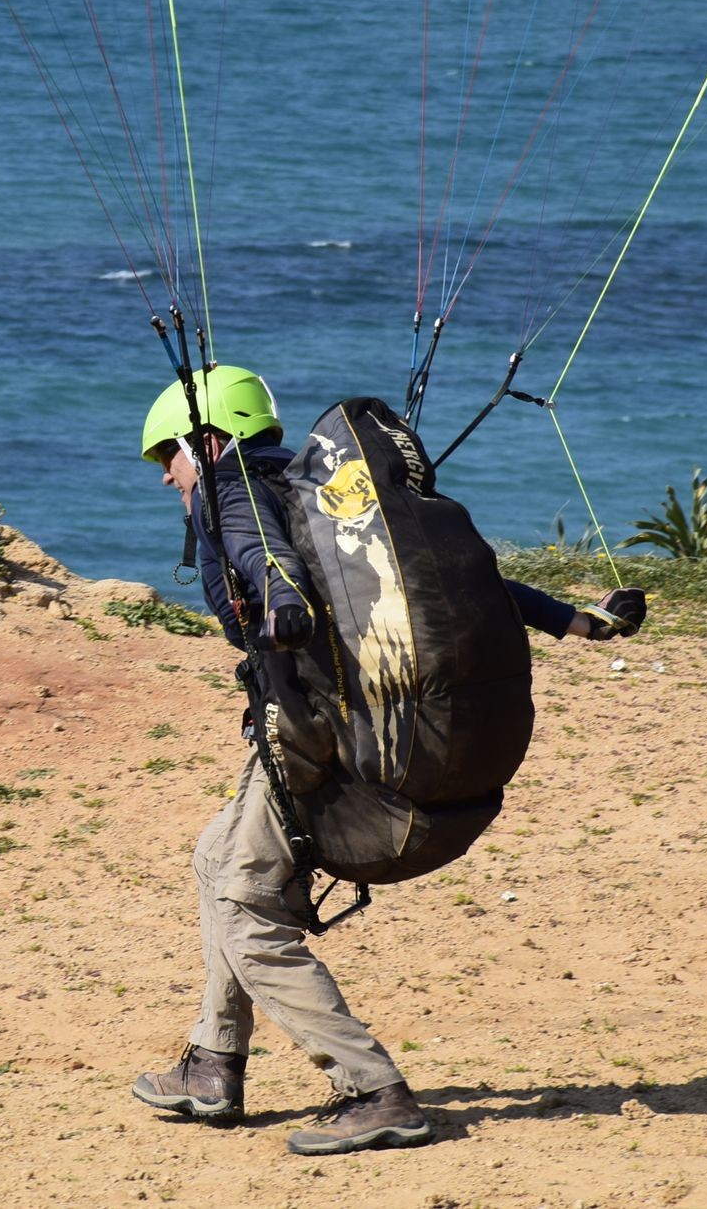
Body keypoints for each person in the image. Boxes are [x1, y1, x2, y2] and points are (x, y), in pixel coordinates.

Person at [130, 366, 645, 1155]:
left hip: (310, 738)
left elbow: (258, 552)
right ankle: (213, 1062)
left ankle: (373, 1089)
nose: (166, 475)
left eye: (168, 455)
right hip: (327, 728)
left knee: (245, 907)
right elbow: (465, 585)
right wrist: (586, 623)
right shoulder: (327, 504)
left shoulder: (232, 490)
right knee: (217, 857)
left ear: (205, 441)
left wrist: (283, 603)